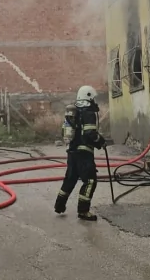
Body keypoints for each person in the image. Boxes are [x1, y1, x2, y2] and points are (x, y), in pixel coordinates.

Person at [54, 85, 106, 222]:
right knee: (90, 181)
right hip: (84, 154)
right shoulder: (88, 113)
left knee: (70, 179)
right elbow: (90, 134)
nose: (94, 101)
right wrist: (101, 141)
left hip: (72, 152)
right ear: (88, 96)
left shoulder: (75, 111)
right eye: (93, 97)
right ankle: (83, 211)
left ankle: (59, 205)